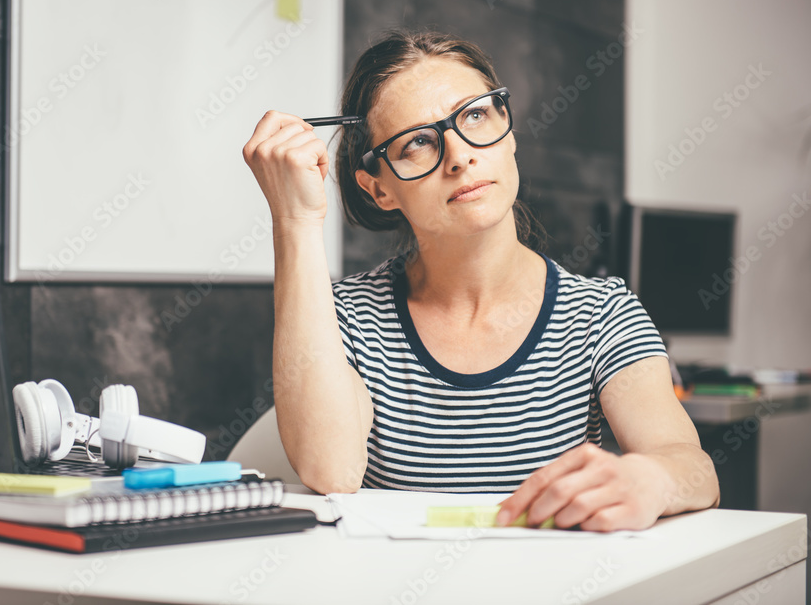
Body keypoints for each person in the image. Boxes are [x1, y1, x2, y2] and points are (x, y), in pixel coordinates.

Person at [241, 30, 719, 531]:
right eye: (418, 141)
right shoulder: (346, 316)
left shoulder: (601, 313)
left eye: (474, 116)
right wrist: (294, 221)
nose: (459, 156)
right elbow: (331, 471)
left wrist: (651, 479)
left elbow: (696, 472)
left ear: (508, 133)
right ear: (379, 189)